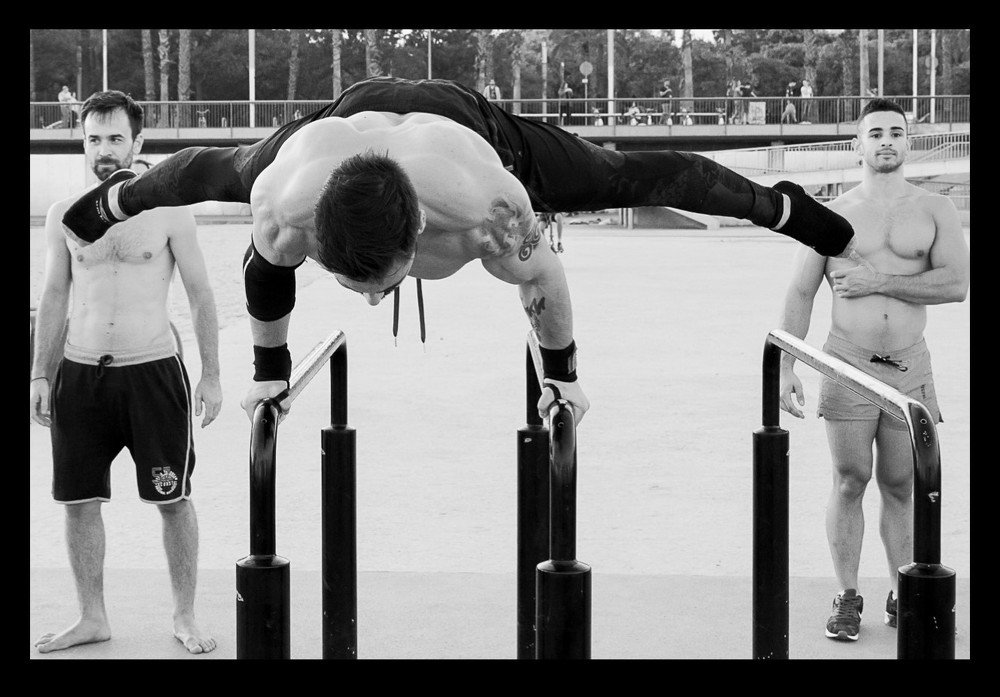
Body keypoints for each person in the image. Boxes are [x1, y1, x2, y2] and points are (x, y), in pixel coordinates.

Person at [60, 76, 859, 430]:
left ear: (417, 235)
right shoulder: (281, 201)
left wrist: (563, 375)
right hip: (338, 124)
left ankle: (787, 207)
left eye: (380, 284)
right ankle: (108, 203)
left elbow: (542, 277)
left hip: (465, 124)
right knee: (205, 173)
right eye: (356, 286)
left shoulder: (492, 208)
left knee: (625, 173)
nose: (373, 300)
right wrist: (270, 374)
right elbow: (246, 251)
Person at [31, 90, 223, 655]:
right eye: (93, 139)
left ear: (138, 141)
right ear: (82, 142)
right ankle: (91, 617)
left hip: (152, 371)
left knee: (172, 498)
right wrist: (40, 374)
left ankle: (184, 614)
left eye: (115, 138)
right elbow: (54, 296)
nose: (104, 150)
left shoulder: (168, 211)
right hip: (80, 373)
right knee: (78, 501)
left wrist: (211, 374)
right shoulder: (64, 215)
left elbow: (201, 293)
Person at [776, 98, 969, 642]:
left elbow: (956, 285)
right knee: (850, 478)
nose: (886, 141)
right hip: (848, 362)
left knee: (902, 484)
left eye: (896, 132)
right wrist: (787, 365)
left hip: (909, 364)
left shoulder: (934, 208)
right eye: (876, 133)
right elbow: (801, 292)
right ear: (858, 144)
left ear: (908, 141)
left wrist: (878, 281)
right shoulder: (832, 216)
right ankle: (847, 595)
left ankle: (901, 590)